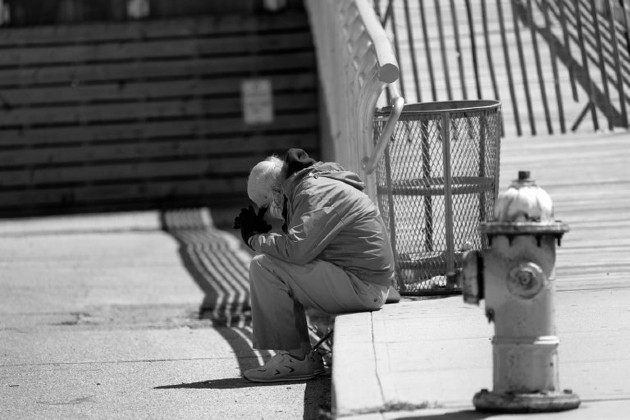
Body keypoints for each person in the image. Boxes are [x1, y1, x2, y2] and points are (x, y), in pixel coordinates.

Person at [233, 148, 398, 383]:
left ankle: (296, 359)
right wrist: (265, 236)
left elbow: (297, 250)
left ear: (276, 191)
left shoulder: (314, 193)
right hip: (366, 282)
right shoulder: (314, 184)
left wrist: (255, 239)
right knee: (272, 261)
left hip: (364, 288)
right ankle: (302, 348)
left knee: (264, 266)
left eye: (265, 205)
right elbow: (307, 246)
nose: (268, 214)